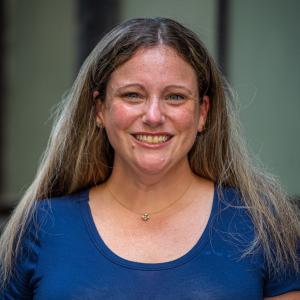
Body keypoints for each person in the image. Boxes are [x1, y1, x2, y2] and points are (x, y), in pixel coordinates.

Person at [0, 17, 299, 299]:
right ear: (99, 109)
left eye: (175, 97)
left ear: (203, 113)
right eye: (132, 95)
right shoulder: (41, 225)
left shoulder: (261, 223)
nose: (154, 116)